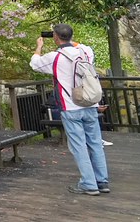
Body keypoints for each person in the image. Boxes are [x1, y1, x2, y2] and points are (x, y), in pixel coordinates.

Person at [30, 23, 110, 195]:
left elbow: (35, 64)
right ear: (71, 36)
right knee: (95, 143)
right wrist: (68, 40)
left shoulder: (54, 57)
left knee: (79, 145)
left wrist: (39, 47)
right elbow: (80, 45)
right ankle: (102, 181)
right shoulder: (86, 51)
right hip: (90, 104)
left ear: (56, 37)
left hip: (70, 106)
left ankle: (88, 183)